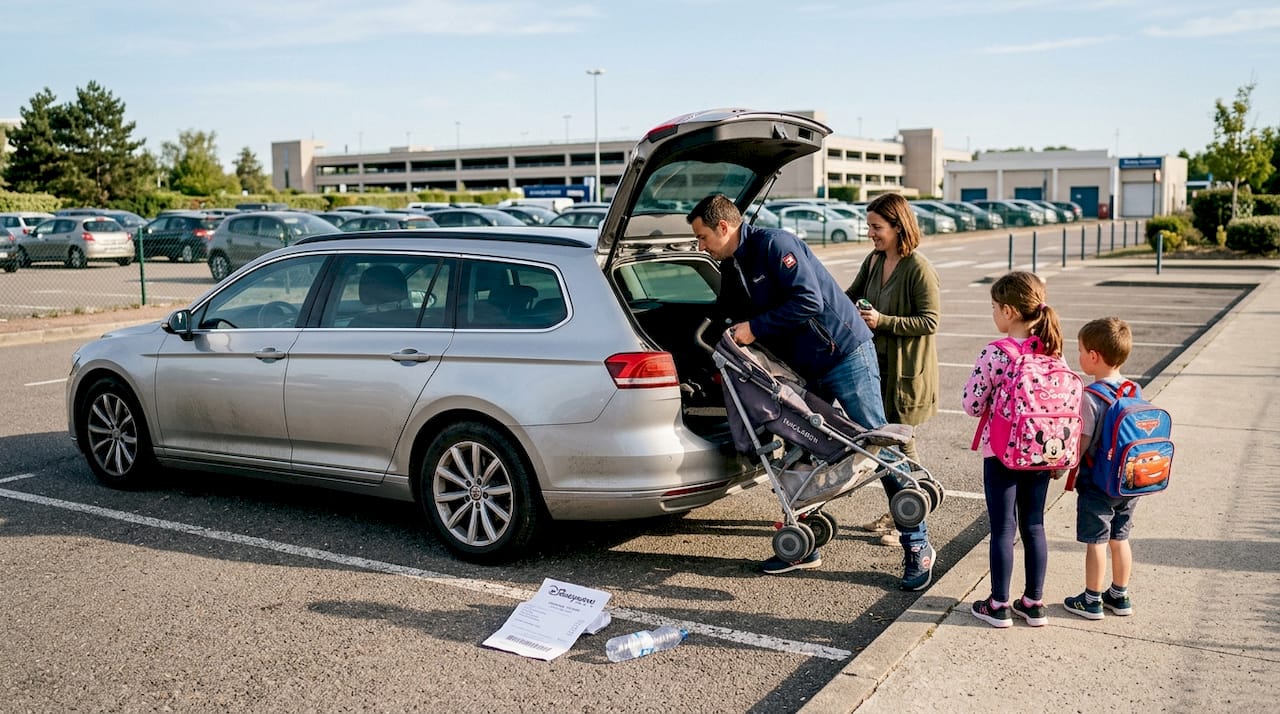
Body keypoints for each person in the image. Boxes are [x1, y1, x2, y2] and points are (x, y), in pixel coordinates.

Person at [688, 193, 936, 590]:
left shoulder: (775, 246)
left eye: (702, 237)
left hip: (844, 353)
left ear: (723, 226)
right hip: (803, 369)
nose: (700, 246)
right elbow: (724, 315)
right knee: (801, 448)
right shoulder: (733, 265)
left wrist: (755, 328)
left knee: (878, 444)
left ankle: (917, 543)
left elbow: (808, 300)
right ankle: (804, 543)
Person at [960, 270, 1064, 627]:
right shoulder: (1054, 351)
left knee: (1003, 528)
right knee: (1034, 525)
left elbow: (972, 404)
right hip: (1043, 453)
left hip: (1002, 453)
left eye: (994, 307)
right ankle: (1034, 603)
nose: (993, 313)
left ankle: (999, 604)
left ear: (1009, 311)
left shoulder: (995, 353)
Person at [844, 193, 941, 548]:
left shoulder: (918, 268)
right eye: (869, 226)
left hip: (905, 376)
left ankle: (910, 516)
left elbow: (930, 321)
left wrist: (882, 321)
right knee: (889, 445)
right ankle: (903, 511)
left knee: (900, 447)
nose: (870, 233)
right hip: (876, 370)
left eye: (877, 227)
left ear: (898, 227)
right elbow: (850, 295)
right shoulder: (874, 261)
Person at [1064, 317, 1138, 620]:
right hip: (1129, 481)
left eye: (1081, 350)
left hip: (1098, 483)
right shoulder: (1134, 389)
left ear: (1094, 356)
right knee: (1120, 537)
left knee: (1096, 541)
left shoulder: (1090, 397)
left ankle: (1091, 600)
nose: (1079, 356)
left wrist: (1066, 466)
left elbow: (1082, 441)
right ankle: (1119, 596)